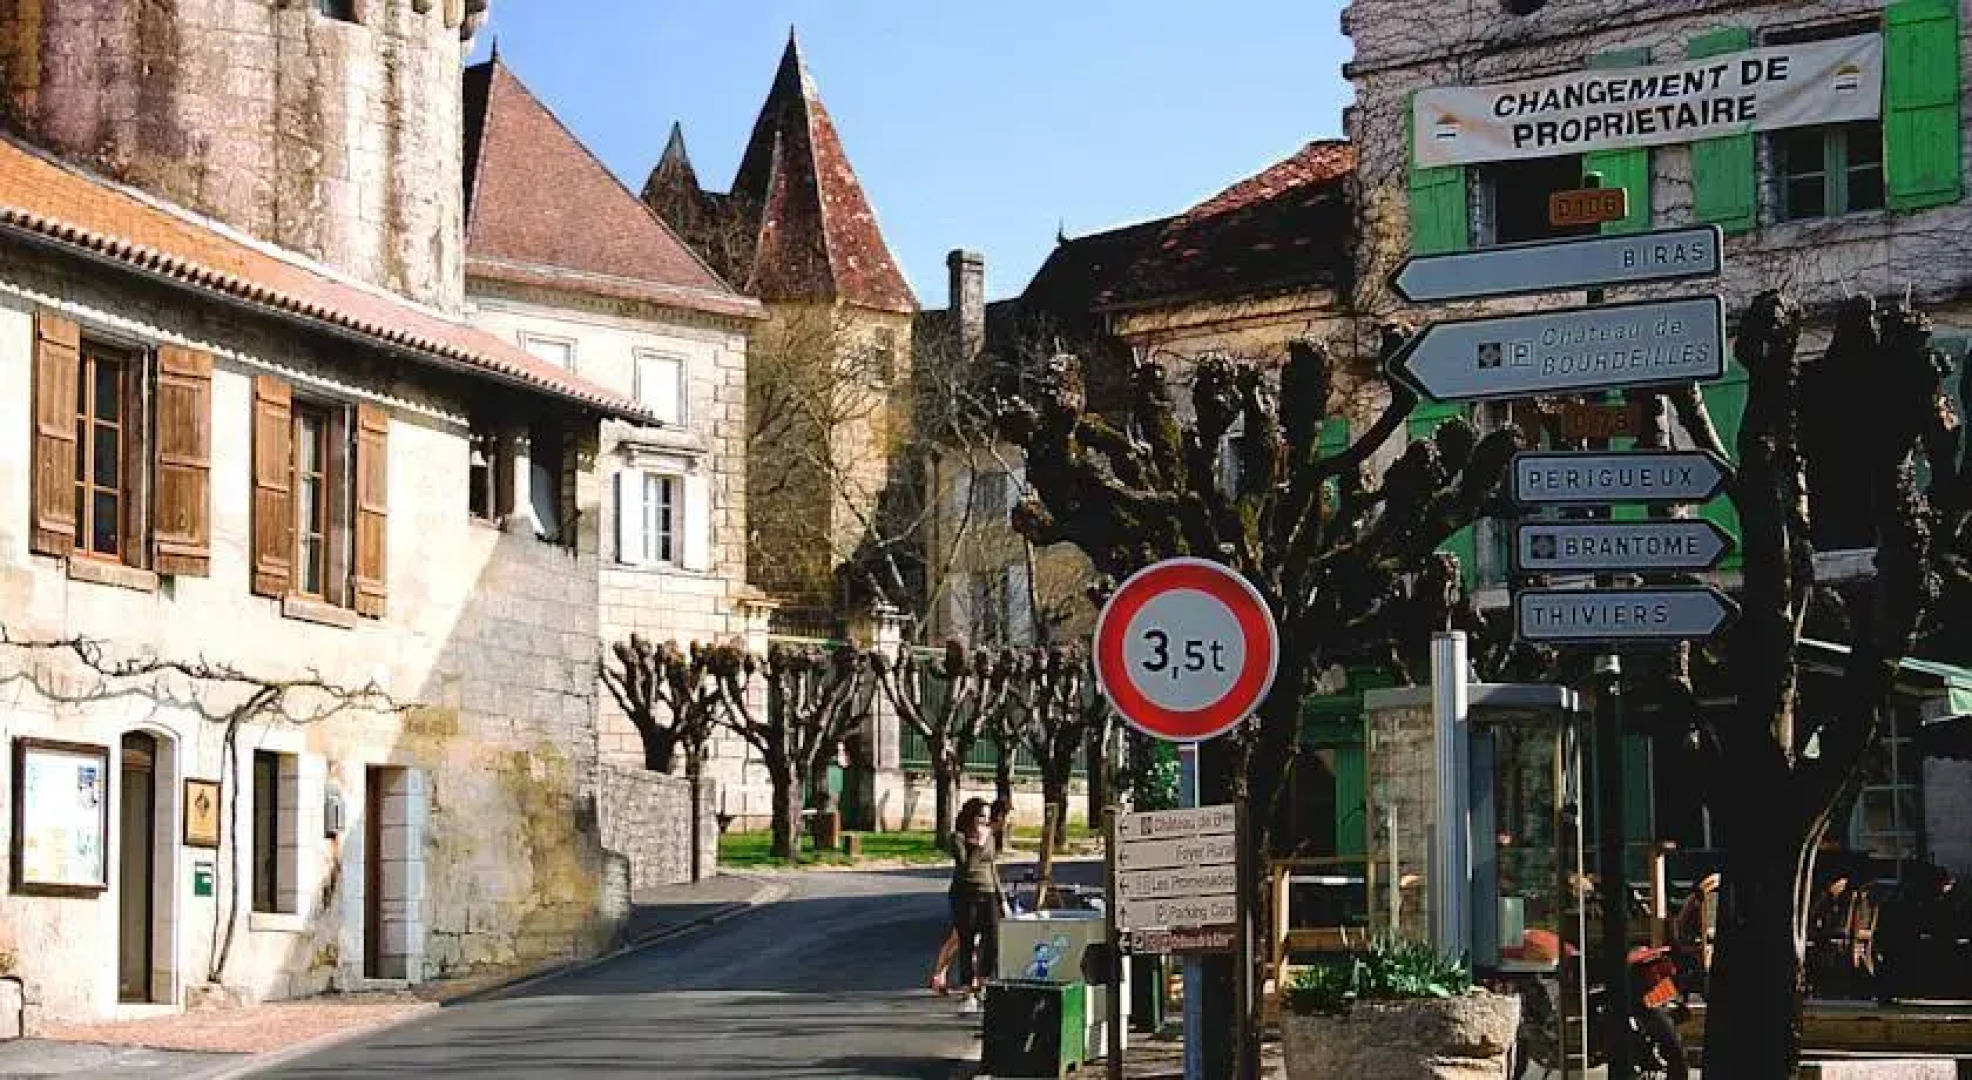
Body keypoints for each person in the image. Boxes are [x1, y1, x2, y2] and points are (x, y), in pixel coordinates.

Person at [949, 796, 1004, 1014]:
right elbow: (967, 867)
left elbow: (992, 867)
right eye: (981, 816)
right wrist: (979, 845)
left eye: (987, 817)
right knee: (967, 941)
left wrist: (1002, 899)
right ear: (971, 817)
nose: (985, 821)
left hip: (988, 892)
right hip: (965, 894)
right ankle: (967, 990)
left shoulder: (990, 836)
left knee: (992, 939)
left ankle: (982, 983)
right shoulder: (958, 838)